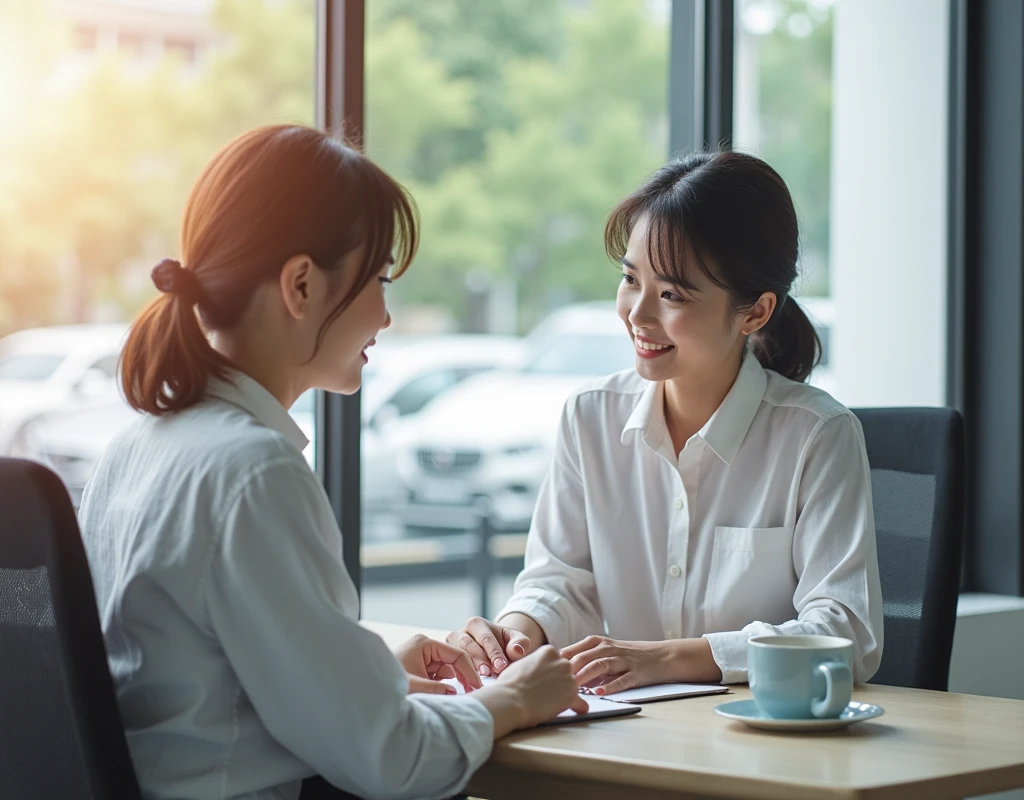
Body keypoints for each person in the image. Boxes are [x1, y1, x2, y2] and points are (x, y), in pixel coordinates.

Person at [78, 124, 587, 800]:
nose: (386, 315)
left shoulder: (136, 448)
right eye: (378, 279)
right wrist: (516, 698)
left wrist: (364, 673)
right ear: (300, 285)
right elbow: (393, 762)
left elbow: (195, 690)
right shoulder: (252, 474)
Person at [449, 150, 883, 693]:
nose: (637, 313)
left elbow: (846, 631)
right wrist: (512, 635)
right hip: (628, 733)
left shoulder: (816, 435)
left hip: (760, 744)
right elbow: (561, 582)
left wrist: (666, 659)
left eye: (672, 294)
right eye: (631, 280)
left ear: (755, 311)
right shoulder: (591, 416)